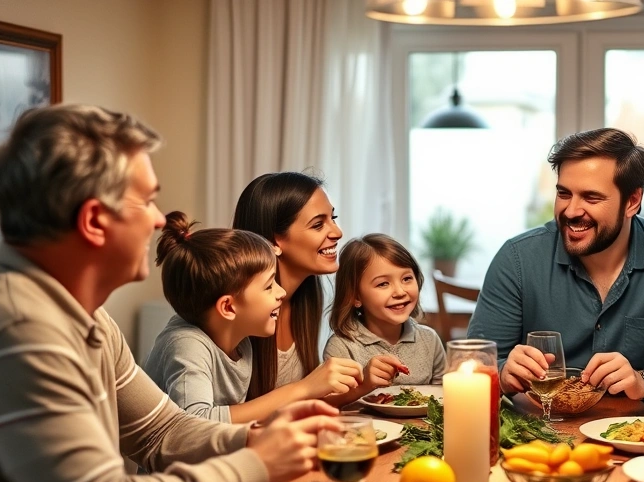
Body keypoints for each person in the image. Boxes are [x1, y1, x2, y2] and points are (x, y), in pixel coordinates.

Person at [0, 104, 340, 482]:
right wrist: (257, 465)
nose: (158, 220)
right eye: (146, 200)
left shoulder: (84, 315)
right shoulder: (21, 329)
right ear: (94, 221)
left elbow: (160, 431)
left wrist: (257, 439)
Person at [467, 127, 644, 408]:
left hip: (640, 436)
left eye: (591, 198)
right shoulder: (517, 258)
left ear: (632, 201)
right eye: (564, 193)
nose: (571, 211)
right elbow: (472, 367)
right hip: (540, 436)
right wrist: (503, 373)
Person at [145, 212, 351, 423]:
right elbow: (195, 424)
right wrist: (302, 388)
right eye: (269, 286)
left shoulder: (241, 341)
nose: (281, 293)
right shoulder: (187, 345)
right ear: (228, 307)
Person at [233, 173, 363, 404]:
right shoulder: (237, 313)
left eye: (333, 218)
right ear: (274, 242)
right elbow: (204, 423)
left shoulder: (305, 299)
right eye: (318, 224)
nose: (337, 232)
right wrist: (306, 387)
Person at [326, 234, 445, 389]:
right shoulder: (342, 347)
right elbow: (330, 403)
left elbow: (443, 395)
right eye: (383, 284)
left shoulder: (430, 340)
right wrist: (365, 384)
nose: (400, 292)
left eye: (407, 279)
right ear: (355, 296)